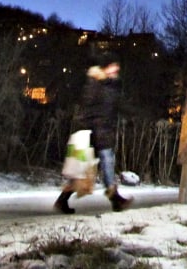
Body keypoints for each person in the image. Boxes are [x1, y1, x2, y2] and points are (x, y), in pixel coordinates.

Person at [55, 51, 132, 213]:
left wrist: (135, 113)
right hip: (92, 133)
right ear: (105, 68)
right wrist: (89, 129)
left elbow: (119, 106)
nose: (116, 68)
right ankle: (115, 199)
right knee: (93, 165)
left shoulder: (111, 86)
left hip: (102, 133)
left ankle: (63, 200)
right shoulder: (95, 84)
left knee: (89, 167)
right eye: (113, 65)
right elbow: (88, 109)